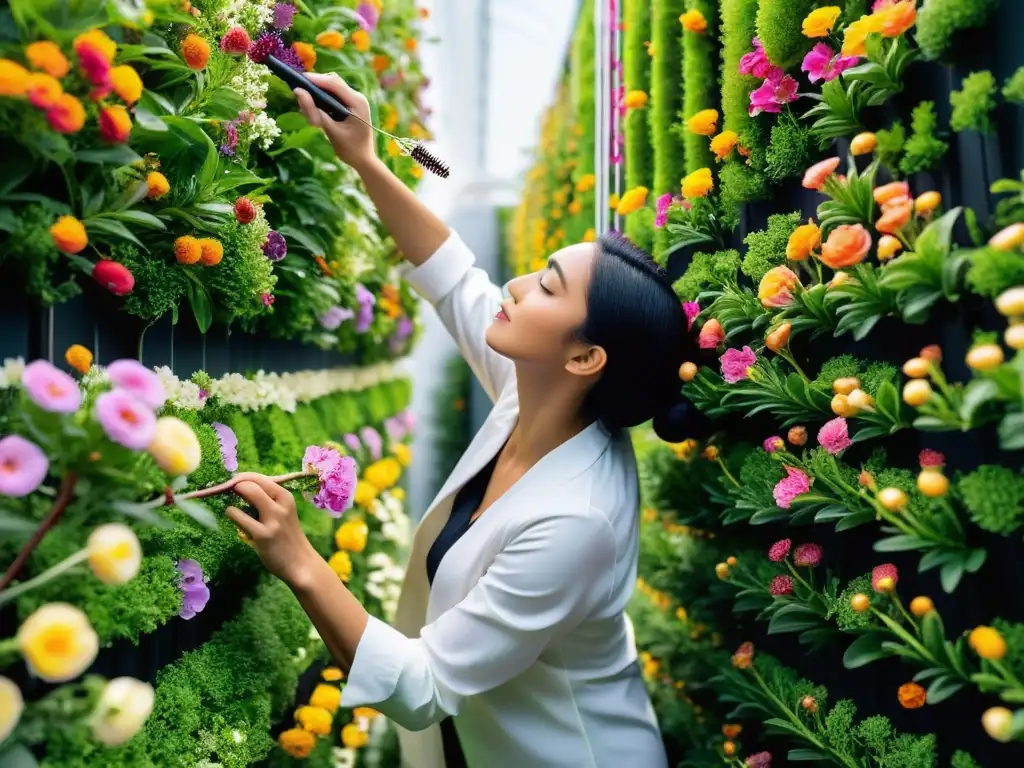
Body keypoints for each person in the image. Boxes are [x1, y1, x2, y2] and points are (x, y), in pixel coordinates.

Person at [226, 73, 707, 768]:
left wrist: (298, 560)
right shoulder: (537, 393)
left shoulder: (578, 521)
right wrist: (364, 156)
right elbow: (453, 273)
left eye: (547, 286)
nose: (515, 286)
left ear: (585, 357)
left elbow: (422, 685)